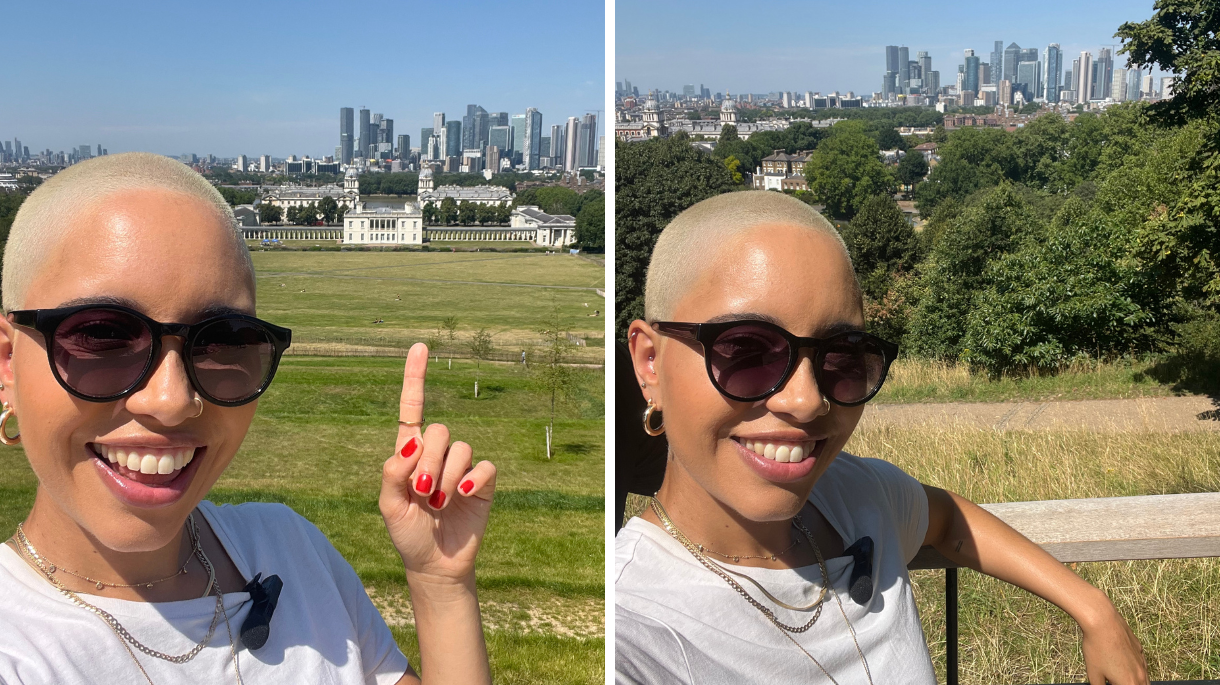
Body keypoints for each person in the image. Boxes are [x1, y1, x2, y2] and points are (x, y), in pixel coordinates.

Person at [0, 153, 496, 685]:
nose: (171, 400)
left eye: (224, 340)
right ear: (7, 363)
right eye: (101, 335)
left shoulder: (291, 545)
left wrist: (439, 585)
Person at [616, 191, 1148, 685]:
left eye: (843, 356)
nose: (806, 401)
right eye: (747, 352)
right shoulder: (629, 631)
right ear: (650, 363)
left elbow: (946, 519)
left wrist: (1093, 609)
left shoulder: (855, 498)